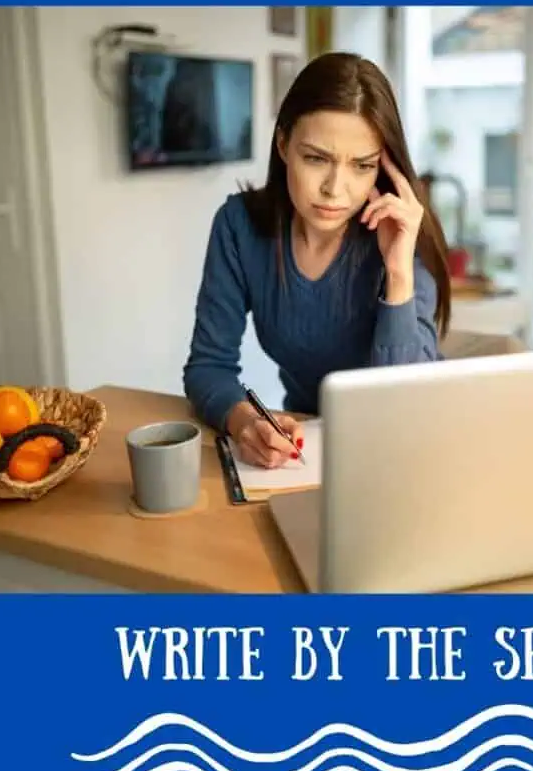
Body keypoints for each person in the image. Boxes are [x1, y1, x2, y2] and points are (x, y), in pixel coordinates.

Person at [183, 51, 452, 469]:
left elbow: (407, 406)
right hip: (310, 450)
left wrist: (397, 273)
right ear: (283, 143)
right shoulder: (238, 226)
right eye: (316, 158)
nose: (335, 189)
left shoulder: (400, 233)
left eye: (361, 166)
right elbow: (208, 366)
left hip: (411, 453)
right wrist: (247, 421)